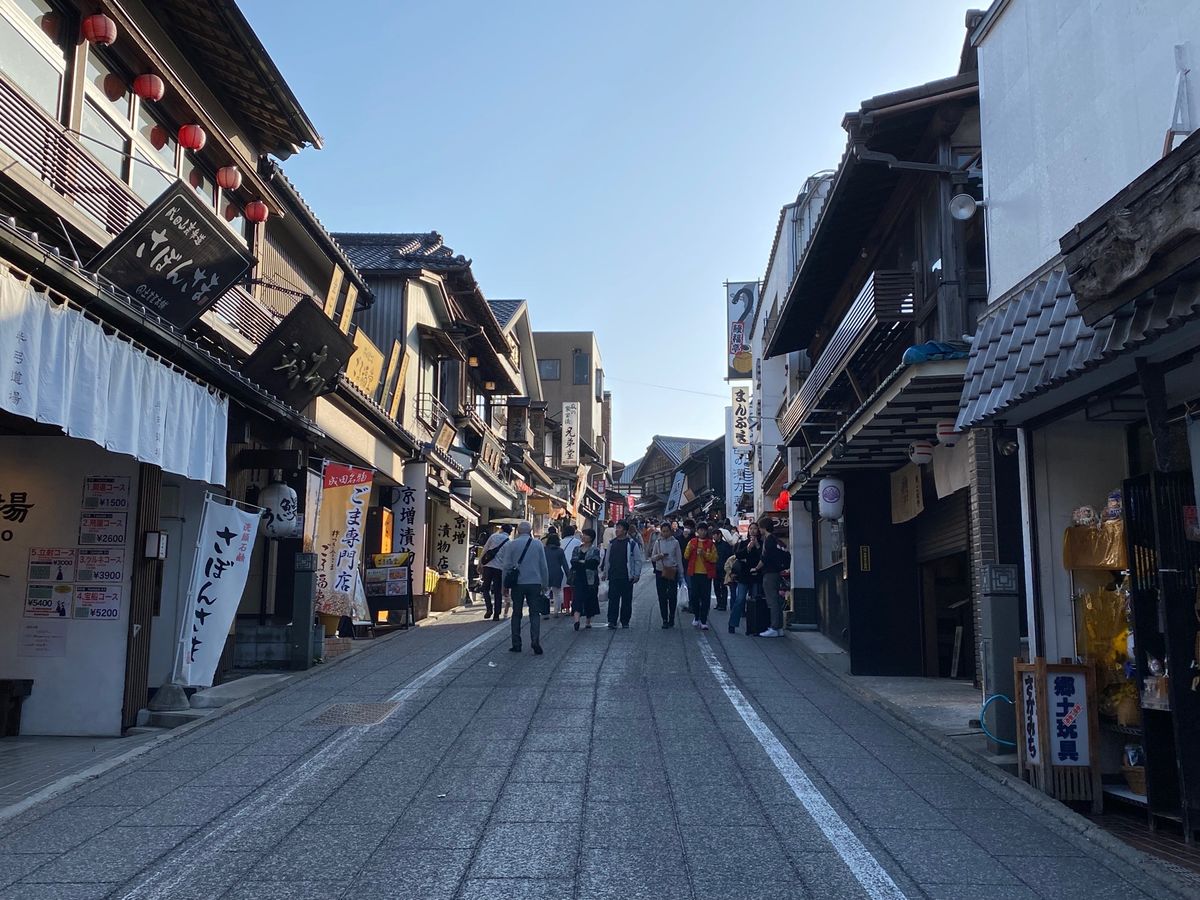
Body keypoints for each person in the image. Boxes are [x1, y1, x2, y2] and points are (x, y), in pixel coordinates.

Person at [497, 521, 548, 654]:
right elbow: (543, 565)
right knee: (534, 613)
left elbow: (506, 566)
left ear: (518, 531)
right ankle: (535, 640)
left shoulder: (512, 544)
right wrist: (545, 583)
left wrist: (504, 585)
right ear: (531, 531)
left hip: (517, 584)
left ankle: (516, 643)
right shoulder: (538, 544)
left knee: (517, 613)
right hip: (535, 582)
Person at [600, 520, 644, 629]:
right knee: (613, 600)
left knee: (626, 600)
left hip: (627, 576)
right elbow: (607, 559)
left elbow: (638, 560)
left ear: (625, 530)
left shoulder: (631, 543)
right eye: (617, 527)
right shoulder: (612, 543)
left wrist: (636, 574)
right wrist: (605, 572)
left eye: (619, 528)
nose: (617, 530)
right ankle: (612, 621)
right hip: (614, 575)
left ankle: (625, 621)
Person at [755, 519, 789, 638]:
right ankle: (779, 628)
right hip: (777, 572)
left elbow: (764, 558)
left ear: (763, 527)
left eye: (759, 527)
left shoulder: (768, 540)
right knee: (777, 601)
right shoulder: (775, 539)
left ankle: (774, 627)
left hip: (769, 573)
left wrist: (756, 568)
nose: (759, 530)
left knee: (772, 601)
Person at [684, 522, 718, 629]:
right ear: (697, 531)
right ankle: (696, 616)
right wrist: (690, 550)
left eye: (704, 530)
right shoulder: (692, 542)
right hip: (694, 573)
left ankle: (703, 620)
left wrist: (704, 554)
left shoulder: (710, 544)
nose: (702, 532)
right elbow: (686, 555)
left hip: (706, 575)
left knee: (705, 598)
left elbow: (715, 558)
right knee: (694, 596)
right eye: (700, 530)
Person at [650, 521, 683, 628]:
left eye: (667, 531)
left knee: (672, 595)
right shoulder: (658, 542)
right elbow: (652, 557)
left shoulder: (675, 543)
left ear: (670, 531)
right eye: (663, 531)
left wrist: (681, 574)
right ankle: (664, 619)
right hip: (660, 571)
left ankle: (672, 616)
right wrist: (659, 556)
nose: (664, 533)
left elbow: (679, 558)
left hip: (672, 571)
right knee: (662, 596)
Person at [732, 522, 762, 634]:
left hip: (756, 575)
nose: (753, 531)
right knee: (740, 600)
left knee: (754, 601)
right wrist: (748, 548)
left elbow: (763, 557)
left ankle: (753, 627)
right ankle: (733, 624)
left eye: (755, 528)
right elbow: (738, 555)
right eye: (751, 529)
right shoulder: (744, 543)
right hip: (744, 576)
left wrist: (757, 546)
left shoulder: (762, 543)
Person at [569, 527, 602, 630]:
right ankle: (577, 621)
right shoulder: (577, 549)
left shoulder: (595, 549)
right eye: (583, 534)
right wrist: (584, 563)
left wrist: (582, 563)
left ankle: (588, 621)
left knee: (590, 599)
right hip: (578, 577)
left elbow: (594, 563)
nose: (583, 536)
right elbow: (573, 562)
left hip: (591, 579)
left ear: (591, 538)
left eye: (586, 535)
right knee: (577, 598)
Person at [479, 524, 511, 621]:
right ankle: (497, 614)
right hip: (500, 569)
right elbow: (508, 558)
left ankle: (489, 608)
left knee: (485, 588)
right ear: (510, 533)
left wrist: (480, 564)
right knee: (498, 591)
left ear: (501, 529)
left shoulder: (493, 536)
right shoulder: (509, 542)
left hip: (488, 566)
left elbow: (485, 550)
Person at [544, 533, 570, 617]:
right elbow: (565, 564)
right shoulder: (560, 551)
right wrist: (568, 575)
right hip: (557, 573)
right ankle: (556, 611)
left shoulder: (544, 550)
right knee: (557, 593)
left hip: (546, 573)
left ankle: (545, 612)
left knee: (546, 593)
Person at [559, 524, 582, 615]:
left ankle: (566, 608)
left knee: (565, 589)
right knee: (574, 589)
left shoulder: (560, 542)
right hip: (574, 567)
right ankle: (574, 607)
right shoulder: (577, 542)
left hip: (562, 568)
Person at [713, 529, 734, 611]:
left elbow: (729, 556)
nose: (714, 536)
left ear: (719, 535)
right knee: (716, 587)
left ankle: (723, 604)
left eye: (715, 535)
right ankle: (719, 603)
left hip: (723, 569)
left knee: (723, 587)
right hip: (715, 568)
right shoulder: (713, 545)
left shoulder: (725, 545)